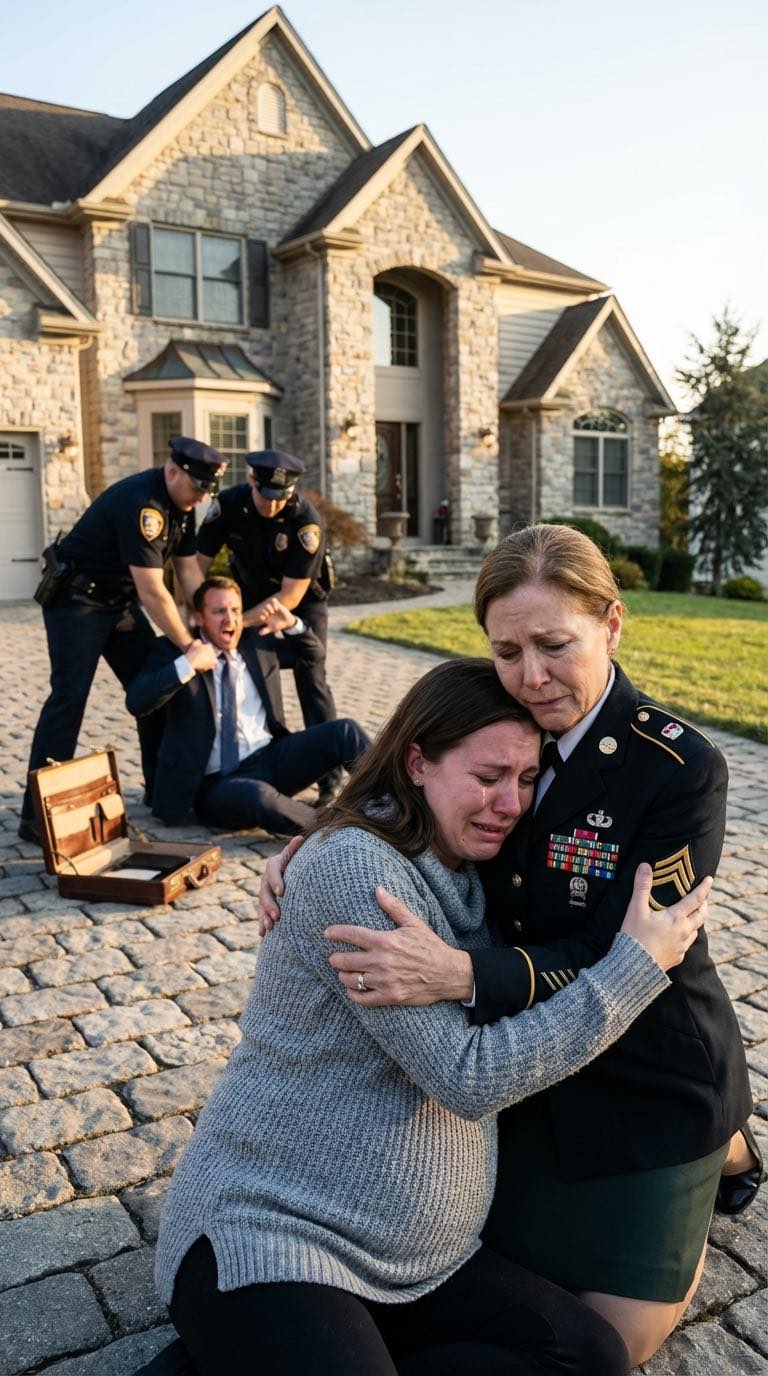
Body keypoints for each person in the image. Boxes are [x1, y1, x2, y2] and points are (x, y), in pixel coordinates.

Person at [259, 524, 760, 1369]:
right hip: (524, 1060)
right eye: (507, 649)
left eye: (555, 644)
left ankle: (724, 1148)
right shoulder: (496, 715)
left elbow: (626, 946)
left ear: (613, 623)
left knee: (621, 1340)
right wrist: (319, 840)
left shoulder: (677, 768)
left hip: (650, 1063)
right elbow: (405, 778)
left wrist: (463, 971)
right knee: (488, 1272)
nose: (532, 676)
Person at [143, 658, 710, 1376]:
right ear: (417, 762)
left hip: (421, 1262)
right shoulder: (355, 869)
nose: (510, 802)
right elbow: (467, 1077)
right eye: (486, 777)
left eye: (527, 779)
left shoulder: (483, 861)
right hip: (278, 1232)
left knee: (591, 1355)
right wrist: (634, 969)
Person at [20, 437, 226, 841]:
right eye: (196, 488)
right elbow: (153, 591)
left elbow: (187, 574)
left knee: (153, 691)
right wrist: (189, 645)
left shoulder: (181, 507)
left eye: (206, 491)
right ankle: (34, 816)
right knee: (68, 700)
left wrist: (208, 619)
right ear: (172, 471)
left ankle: (159, 790)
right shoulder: (143, 504)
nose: (201, 498)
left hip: (118, 604)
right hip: (77, 601)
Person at [125, 576, 368, 835]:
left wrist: (293, 625)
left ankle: (400, 805)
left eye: (235, 611)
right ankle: (344, 833)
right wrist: (188, 664)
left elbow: (313, 656)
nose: (230, 620)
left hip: (272, 758)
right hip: (218, 785)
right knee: (259, 796)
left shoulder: (255, 642)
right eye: (219, 612)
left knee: (345, 731)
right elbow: (137, 702)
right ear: (198, 618)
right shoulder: (173, 651)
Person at [196, 449, 340, 804]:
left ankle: (329, 780)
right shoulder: (228, 505)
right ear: (251, 482)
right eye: (266, 496)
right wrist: (199, 614)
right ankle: (250, 752)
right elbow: (196, 565)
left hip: (302, 601)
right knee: (249, 669)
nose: (273, 505)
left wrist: (235, 622)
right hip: (248, 594)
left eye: (282, 498)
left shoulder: (306, 521)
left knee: (312, 673)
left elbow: (289, 596)